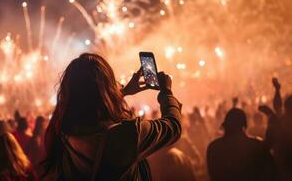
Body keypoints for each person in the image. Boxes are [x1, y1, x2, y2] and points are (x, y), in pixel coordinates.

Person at [42, 53, 182, 180]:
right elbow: (173, 126)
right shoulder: (126, 135)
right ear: (107, 88)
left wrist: (123, 92)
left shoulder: (64, 133)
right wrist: (167, 92)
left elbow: (89, 104)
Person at [207, 108, 275, 181]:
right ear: (244, 126)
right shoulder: (256, 145)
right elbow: (270, 173)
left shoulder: (214, 148)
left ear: (226, 126)